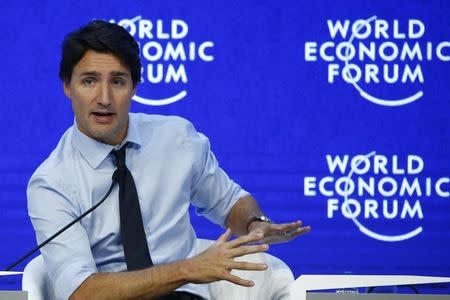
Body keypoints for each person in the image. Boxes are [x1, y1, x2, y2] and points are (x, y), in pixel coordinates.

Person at [27, 20, 311, 300]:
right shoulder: (52, 183)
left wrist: (254, 222)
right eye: (89, 81)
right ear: (67, 86)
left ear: (134, 87)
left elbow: (229, 202)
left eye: (117, 81)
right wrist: (188, 268)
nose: (104, 98)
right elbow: (81, 293)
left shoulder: (176, 139)